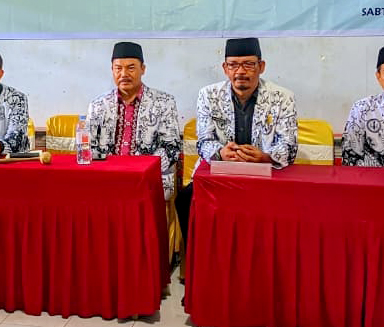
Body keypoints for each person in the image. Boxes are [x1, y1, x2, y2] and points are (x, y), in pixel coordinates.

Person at [175, 37, 297, 242]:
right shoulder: (208, 95)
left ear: (261, 66)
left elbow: (289, 145)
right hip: (219, 174)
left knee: (290, 206)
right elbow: (204, 141)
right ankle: (199, 259)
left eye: (248, 64)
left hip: (264, 176)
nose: (240, 71)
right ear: (225, 68)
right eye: (233, 65)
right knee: (186, 200)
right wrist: (220, 152)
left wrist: (265, 157)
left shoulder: (283, 97)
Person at [86, 42, 181, 200]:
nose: (124, 74)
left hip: (147, 179)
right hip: (107, 178)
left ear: (143, 69)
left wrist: (142, 170)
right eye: (118, 68)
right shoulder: (98, 105)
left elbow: (171, 148)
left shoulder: (164, 102)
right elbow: (89, 146)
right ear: (112, 70)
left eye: (131, 68)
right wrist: (107, 172)